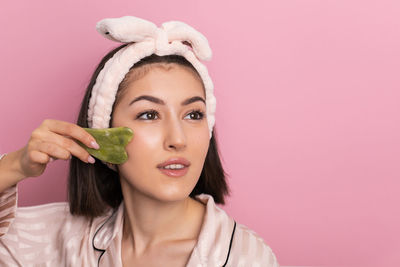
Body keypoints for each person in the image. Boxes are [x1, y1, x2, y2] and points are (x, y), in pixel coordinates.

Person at [0, 16, 280, 266]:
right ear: (103, 134)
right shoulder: (65, 240)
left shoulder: (246, 258)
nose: (178, 139)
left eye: (193, 114)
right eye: (149, 114)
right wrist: (15, 166)